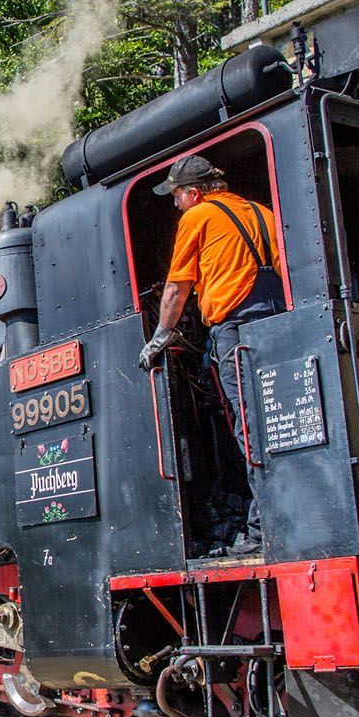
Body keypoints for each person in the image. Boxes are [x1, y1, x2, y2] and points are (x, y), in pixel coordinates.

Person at [137, 154, 286, 556]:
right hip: (278, 323)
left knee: (250, 426)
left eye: (177, 196)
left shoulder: (197, 218)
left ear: (195, 192)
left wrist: (160, 337)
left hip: (236, 328)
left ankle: (263, 529)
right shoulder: (262, 212)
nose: (175, 204)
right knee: (276, 420)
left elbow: (175, 287)